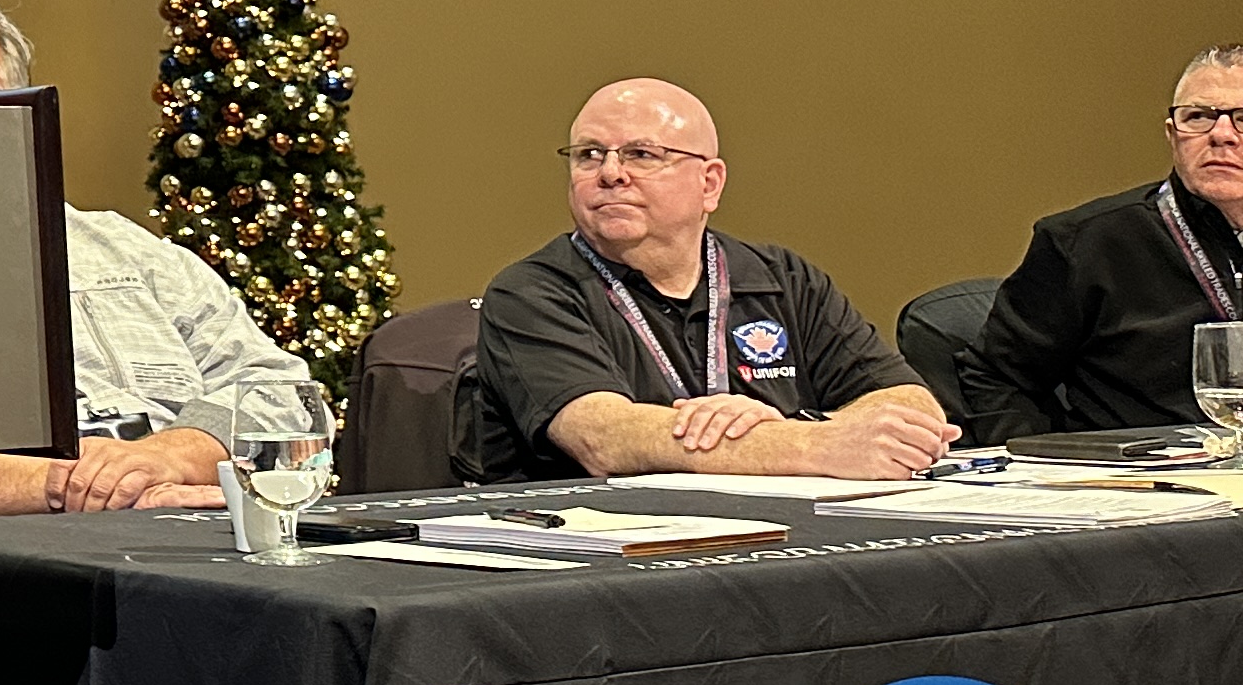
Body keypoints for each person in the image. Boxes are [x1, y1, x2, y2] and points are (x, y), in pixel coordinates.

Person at [0, 0, 321, 514]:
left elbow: (282, 392)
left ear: (14, 115)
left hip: (186, 517)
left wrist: (168, 458)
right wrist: (81, 490)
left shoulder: (124, 249)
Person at [463, 77, 953, 483]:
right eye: (589, 154)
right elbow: (605, 437)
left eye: (641, 154)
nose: (610, 173)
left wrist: (790, 427)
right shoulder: (531, 292)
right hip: (605, 553)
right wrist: (807, 441)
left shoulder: (781, 278)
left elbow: (913, 405)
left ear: (710, 183)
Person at [962, 48, 1243, 441]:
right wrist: (1053, 470)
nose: (1221, 135)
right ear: (1171, 135)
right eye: (1198, 117)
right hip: (1143, 480)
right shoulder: (1084, 242)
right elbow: (994, 381)